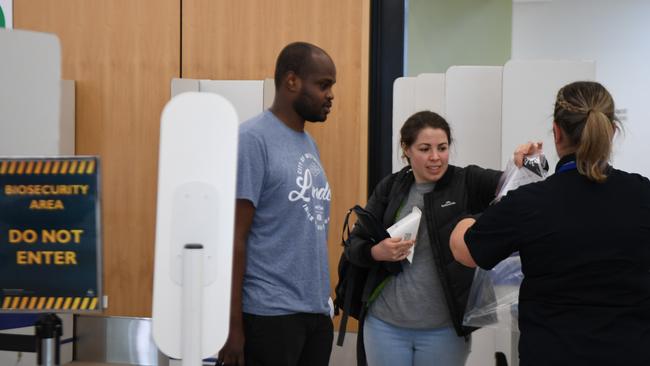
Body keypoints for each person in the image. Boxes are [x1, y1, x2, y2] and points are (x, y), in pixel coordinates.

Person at [450, 81, 650, 365]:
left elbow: (464, 251)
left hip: (553, 353)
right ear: (612, 132)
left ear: (556, 132)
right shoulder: (643, 195)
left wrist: (509, 186)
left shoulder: (531, 202)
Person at [346, 110, 508, 366]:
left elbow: (512, 185)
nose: (435, 157)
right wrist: (379, 251)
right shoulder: (390, 187)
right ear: (406, 149)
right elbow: (354, 245)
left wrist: (521, 162)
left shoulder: (466, 181)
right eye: (425, 148)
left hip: (443, 331)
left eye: (442, 148)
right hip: (385, 324)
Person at [217, 42, 336, 366]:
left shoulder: (309, 143)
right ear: (292, 81)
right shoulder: (252, 140)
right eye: (323, 85)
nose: (330, 95)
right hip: (269, 316)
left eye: (331, 87)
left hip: (315, 313)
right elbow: (234, 238)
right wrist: (232, 326)